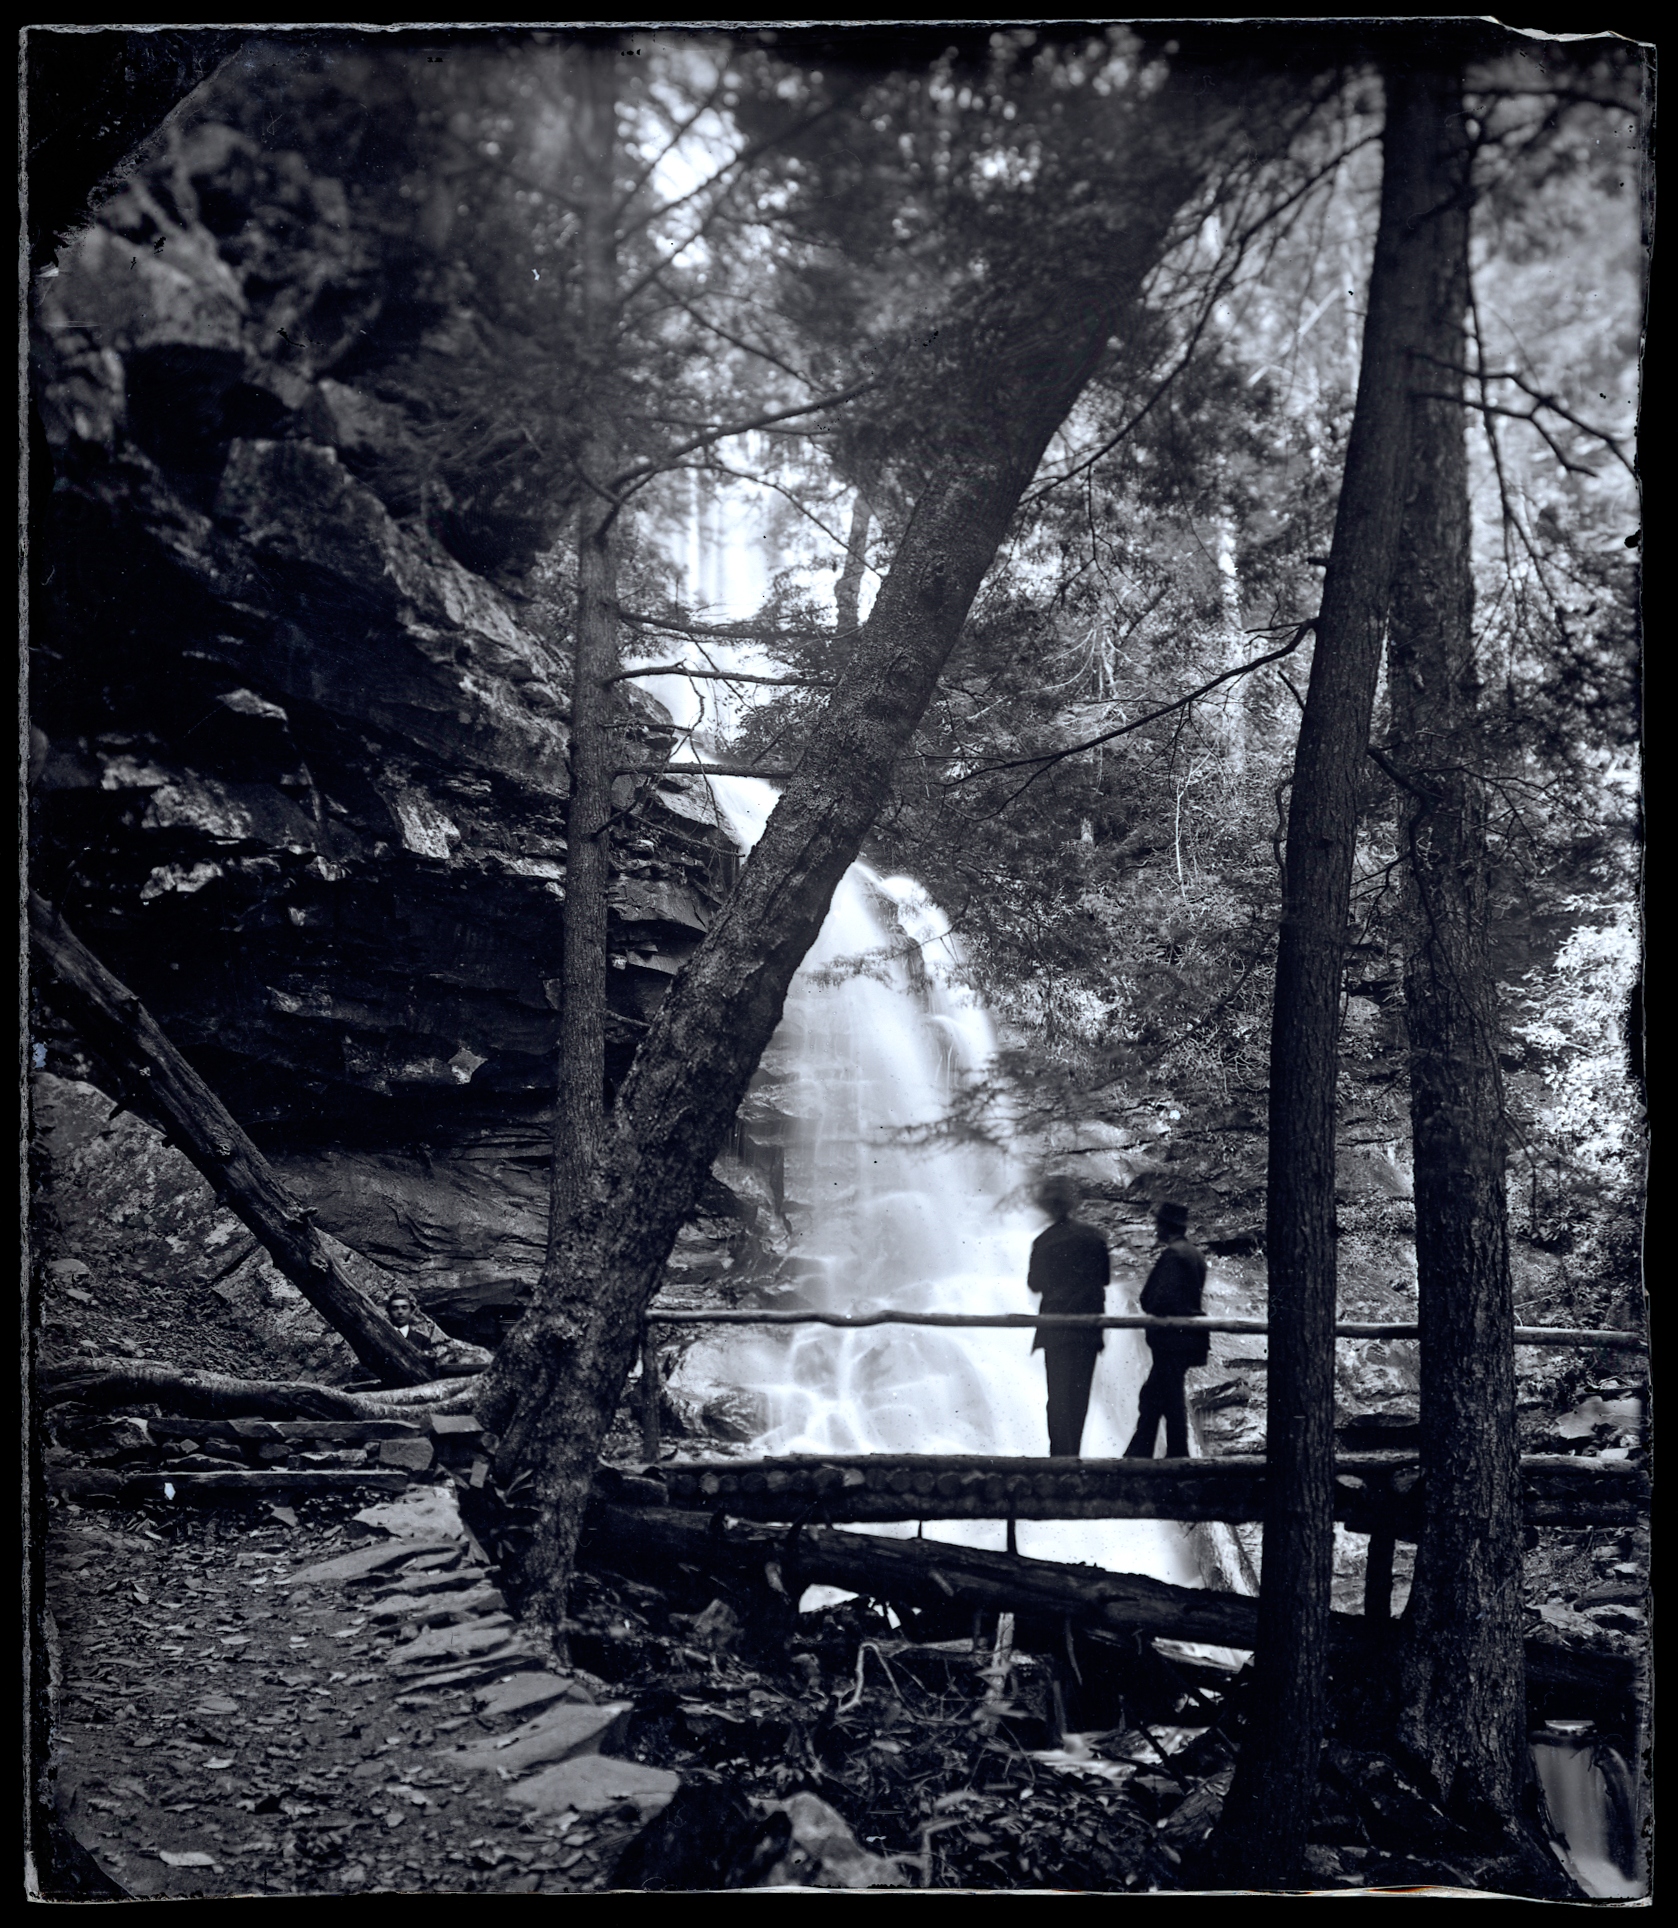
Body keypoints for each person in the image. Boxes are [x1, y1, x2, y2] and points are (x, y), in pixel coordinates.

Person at [1027, 1174, 1111, 1458]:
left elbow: (1034, 1284)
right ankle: (1073, 1455)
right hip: (1088, 1329)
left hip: (1055, 1329)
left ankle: (1058, 1457)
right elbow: (1105, 1278)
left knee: (1058, 1396)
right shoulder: (1095, 1237)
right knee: (1079, 1396)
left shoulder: (1043, 1242)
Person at [1124, 1201, 1209, 1458]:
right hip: (1186, 1340)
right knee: (1159, 1394)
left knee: (1165, 1397)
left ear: (1166, 1226)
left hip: (1172, 1340)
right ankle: (1146, 1451)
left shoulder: (1173, 1255)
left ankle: (1168, 1454)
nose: (1155, 1229)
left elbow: (1158, 1298)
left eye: (1158, 1224)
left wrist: (1148, 1302)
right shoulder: (1195, 1254)